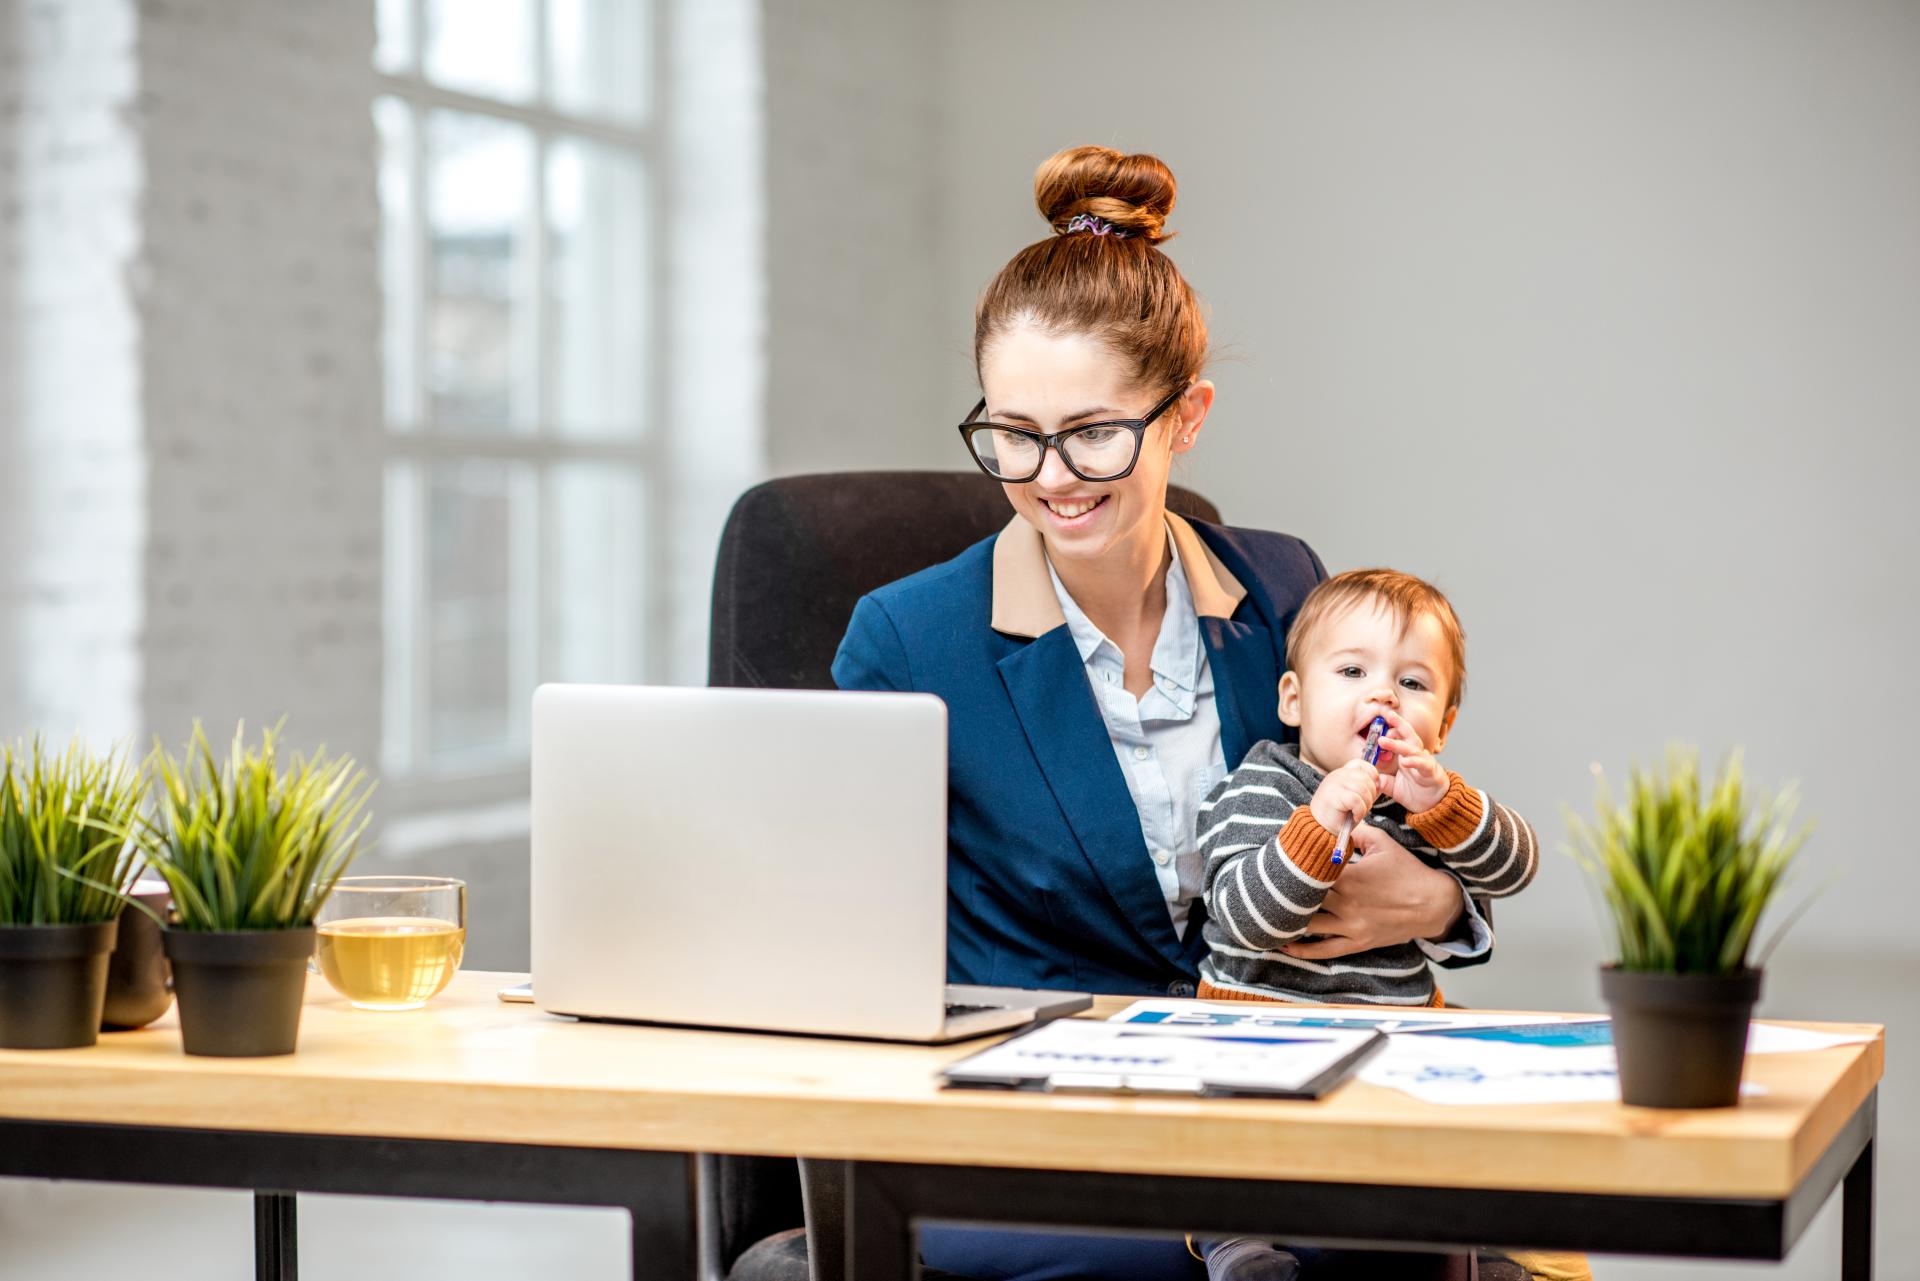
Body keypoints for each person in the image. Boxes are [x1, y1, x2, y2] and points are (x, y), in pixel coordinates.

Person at [832, 145, 1496, 1281]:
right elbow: (840, 946)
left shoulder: (1288, 588)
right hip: (1033, 1134)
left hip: (1280, 1094)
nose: (1049, 475)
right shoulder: (909, 639)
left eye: (1094, 431)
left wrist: (1438, 898)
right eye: (1011, 431)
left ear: (1187, 416)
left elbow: (1394, 815)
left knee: (1423, 1241)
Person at [1191, 569, 1544, 1281]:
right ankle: (1240, 1247)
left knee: (1472, 1130)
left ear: (1441, 726)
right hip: (1258, 1038)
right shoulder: (1262, 785)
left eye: (1412, 683)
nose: (1382, 694)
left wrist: (1444, 799)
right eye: (1352, 670)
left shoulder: (1425, 803)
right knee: (1229, 1147)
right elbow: (1243, 915)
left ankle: (1485, 1249)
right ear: (1294, 699)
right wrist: (1319, 821)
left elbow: (1515, 867)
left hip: (1394, 1046)